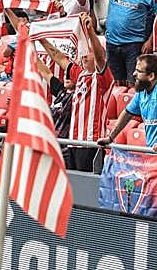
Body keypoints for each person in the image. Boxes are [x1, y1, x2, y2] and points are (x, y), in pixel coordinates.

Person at [38, 13, 113, 172]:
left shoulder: (103, 78)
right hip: (72, 141)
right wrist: (40, 38)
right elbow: (58, 56)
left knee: (86, 186)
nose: (84, 56)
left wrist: (91, 32)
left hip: (91, 141)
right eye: (83, 52)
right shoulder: (79, 74)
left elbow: (100, 57)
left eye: (88, 52)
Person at [97, 54, 157, 184]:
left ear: (151, 76)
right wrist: (111, 137)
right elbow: (127, 113)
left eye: (139, 71)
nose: (134, 74)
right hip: (154, 158)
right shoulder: (142, 92)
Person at [72, 0, 157, 85]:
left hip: (134, 44)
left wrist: (150, 41)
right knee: (114, 83)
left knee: (133, 84)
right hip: (112, 43)